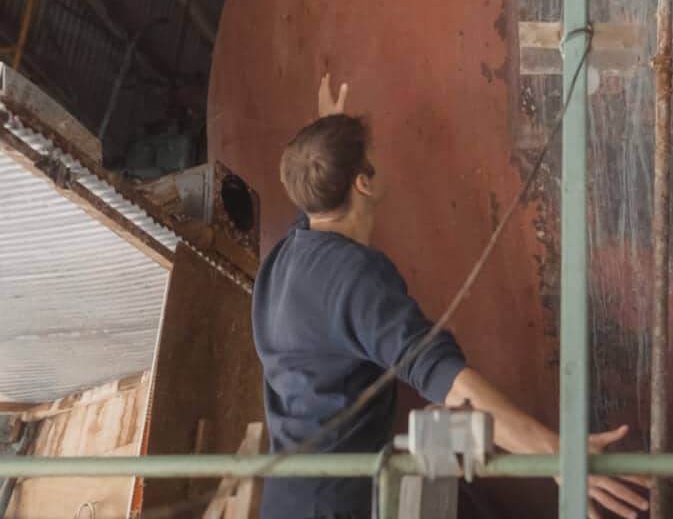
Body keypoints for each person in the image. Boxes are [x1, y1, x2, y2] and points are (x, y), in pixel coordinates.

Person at [252, 76, 649, 519]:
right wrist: (554, 453)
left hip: (285, 502)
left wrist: (328, 130)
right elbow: (447, 379)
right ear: (363, 183)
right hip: (335, 507)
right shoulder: (354, 277)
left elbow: (316, 190)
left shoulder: (285, 257)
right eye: (374, 157)